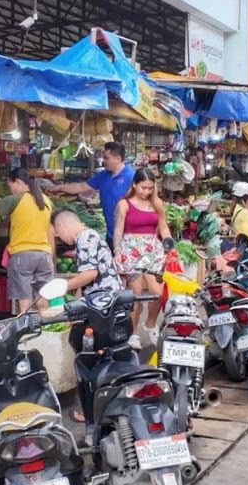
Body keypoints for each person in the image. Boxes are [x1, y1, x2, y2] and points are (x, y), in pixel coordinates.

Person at [51, 208, 126, 424]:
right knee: (99, 354)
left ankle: (93, 410)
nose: (60, 238)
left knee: (90, 357)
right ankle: (101, 406)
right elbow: (86, 278)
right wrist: (75, 304)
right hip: (104, 305)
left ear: (62, 227)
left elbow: (89, 274)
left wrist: (62, 286)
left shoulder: (84, 239)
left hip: (103, 307)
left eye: (57, 233)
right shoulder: (91, 236)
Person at [111, 168, 172, 346]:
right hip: (131, 250)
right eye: (143, 187)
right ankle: (133, 332)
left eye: (150, 188)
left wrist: (168, 242)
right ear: (135, 185)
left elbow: (163, 227)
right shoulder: (124, 204)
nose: (146, 192)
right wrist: (117, 251)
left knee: (157, 293)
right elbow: (118, 230)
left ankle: (150, 323)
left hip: (153, 250)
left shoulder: (157, 204)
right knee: (135, 296)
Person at [0, 168, 54, 313]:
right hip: (44, 256)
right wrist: (52, 260)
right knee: (43, 302)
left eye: (9, 186)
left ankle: (27, 334)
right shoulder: (46, 201)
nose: (10, 190)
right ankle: (46, 331)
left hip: (22, 256)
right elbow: (50, 232)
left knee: (25, 305)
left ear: (17, 182)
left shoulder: (16, 199)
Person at [48, 141, 134, 245]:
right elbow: (82, 186)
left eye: (107, 158)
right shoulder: (103, 175)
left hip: (128, 235)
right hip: (111, 233)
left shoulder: (131, 177)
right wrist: (60, 187)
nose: (103, 161)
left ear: (118, 159)